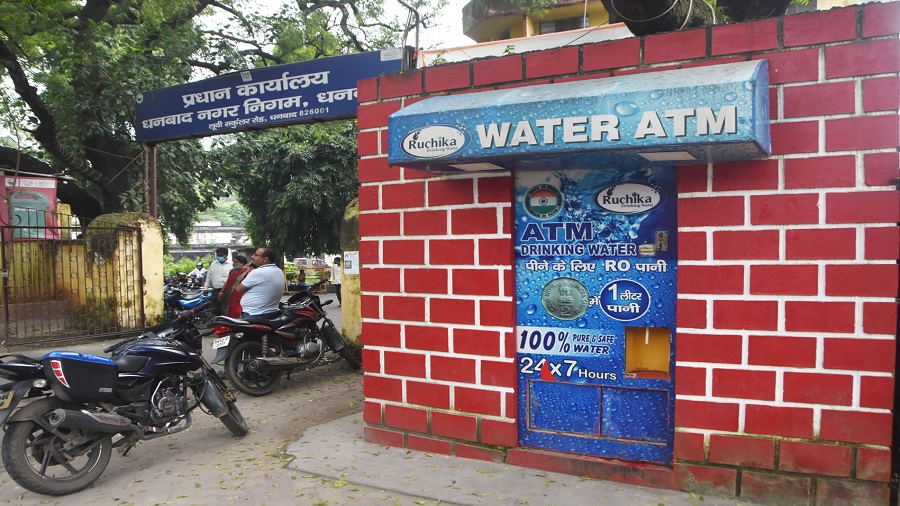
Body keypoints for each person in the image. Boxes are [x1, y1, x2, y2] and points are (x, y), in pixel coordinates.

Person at [235, 246, 285, 318]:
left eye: (256, 255)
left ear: (265, 259)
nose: (252, 257)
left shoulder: (258, 272)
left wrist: (249, 273)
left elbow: (239, 289)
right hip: (270, 312)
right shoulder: (278, 271)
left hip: (254, 314)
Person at [205, 247, 231, 314]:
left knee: (225, 310)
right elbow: (209, 277)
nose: (219, 257)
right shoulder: (214, 264)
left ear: (226, 255)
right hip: (215, 291)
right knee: (215, 309)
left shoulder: (231, 265)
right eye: (218, 255)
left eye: (221, 255)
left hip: (226, 292)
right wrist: (206, 288)